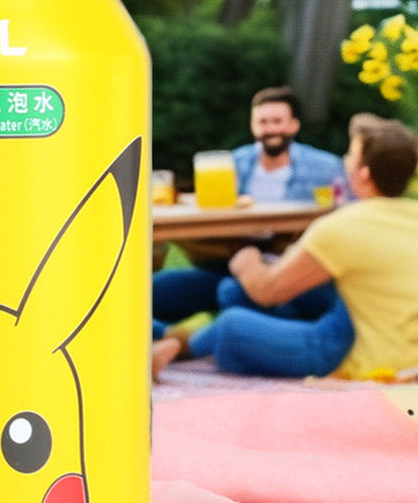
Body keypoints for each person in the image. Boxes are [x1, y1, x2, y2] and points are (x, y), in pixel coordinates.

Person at [158, 114, 418, 380]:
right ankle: (169, 339)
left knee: (232, 318)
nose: (345, 161)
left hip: (367, 359)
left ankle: (169, 342)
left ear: (364, 173)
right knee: (231, 291)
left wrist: (248, 260)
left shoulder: (342, 226)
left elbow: (268, 291)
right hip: (397, 347)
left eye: (351, 156)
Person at [153, 86, 347, 338]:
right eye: (263, 122)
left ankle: (207, 343)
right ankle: (167, 341)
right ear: (253, 126)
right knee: (153, 290)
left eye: (277, 121)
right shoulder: (233, 162)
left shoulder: (325, 167)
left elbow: (348, 215)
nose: (270, 129)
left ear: (294, 125)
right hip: (231, 262)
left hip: (287, 269)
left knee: (232, 292)